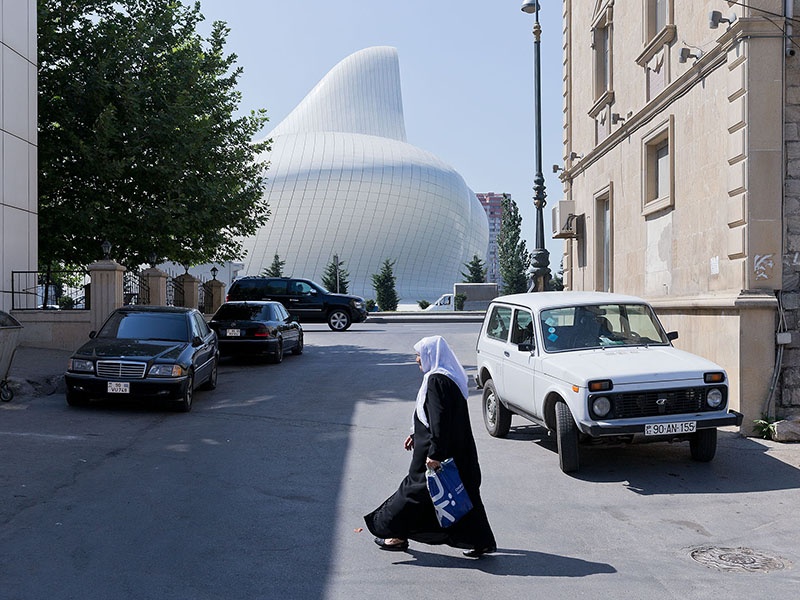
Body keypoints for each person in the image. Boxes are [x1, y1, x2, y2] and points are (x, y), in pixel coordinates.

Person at [364, 335, 497, 558]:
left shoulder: (436, 380)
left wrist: (435, 454)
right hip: (454, 449)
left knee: (413, 491)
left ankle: (392, 531)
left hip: (436, 451)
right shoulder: (448, 378)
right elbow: (431, 416)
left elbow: (440, 420)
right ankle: (481, 541)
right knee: (462, 495)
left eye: (418, 355)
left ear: (430, 355)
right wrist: (415, 434)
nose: (417, 359)